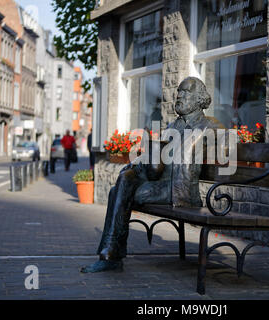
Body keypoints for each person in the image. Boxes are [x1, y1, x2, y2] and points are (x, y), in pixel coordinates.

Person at [80, 77, 223, 273]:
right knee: (125, 179)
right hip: (160, 182)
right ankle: (109, 253)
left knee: (119, 193)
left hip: (178, 190)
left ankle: (111, 255)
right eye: (178, 91)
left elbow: (221, 142)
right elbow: (158, 158)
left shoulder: (210, 125)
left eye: (185, 92)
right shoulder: (173, 126)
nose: (179, 95)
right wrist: (136, 163)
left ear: (199, 99)